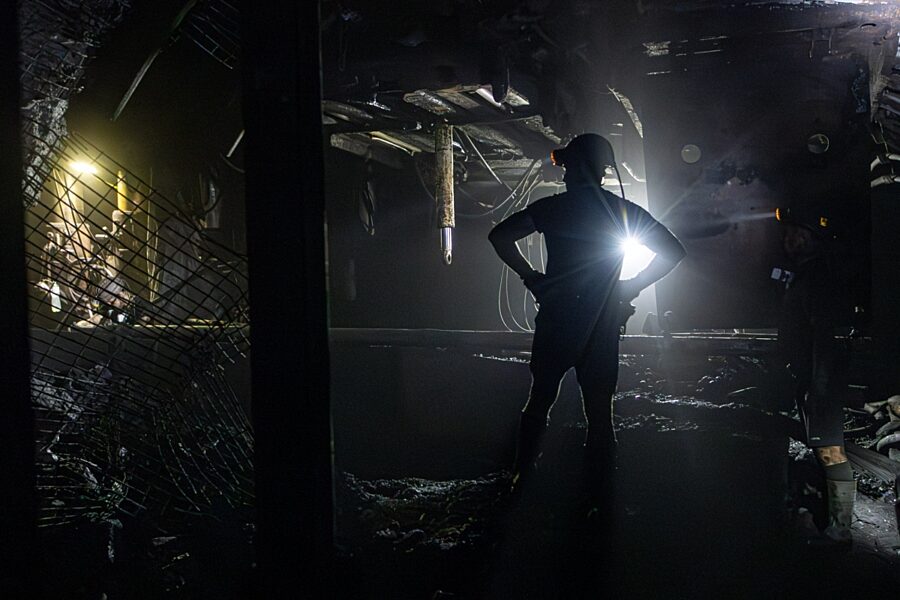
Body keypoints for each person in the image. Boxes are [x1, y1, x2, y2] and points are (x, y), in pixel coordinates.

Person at [488, 133, 686, 495]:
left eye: (568, 167)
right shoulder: (620, 211)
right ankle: (598, 491)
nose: (564, 174)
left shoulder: (554, 209)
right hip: (601, 323)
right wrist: (632, 286)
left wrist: (533, 278)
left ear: (581, 167)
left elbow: (500, 236)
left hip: (558, 319)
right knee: (599, 413)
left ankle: (522, 478)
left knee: (540, 399)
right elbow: (673, 250)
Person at [776, 204, 856, 545]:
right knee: (825, 450)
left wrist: (819, 386)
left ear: (812, 238)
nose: (788, 239)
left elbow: (824, 336)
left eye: (796, 234)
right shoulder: (807, 275)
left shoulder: (817, 278)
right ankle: (830, 521)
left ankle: (841, 528)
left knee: (831, 451)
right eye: (788, 233)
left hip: (819, 381)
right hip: (811, 379)